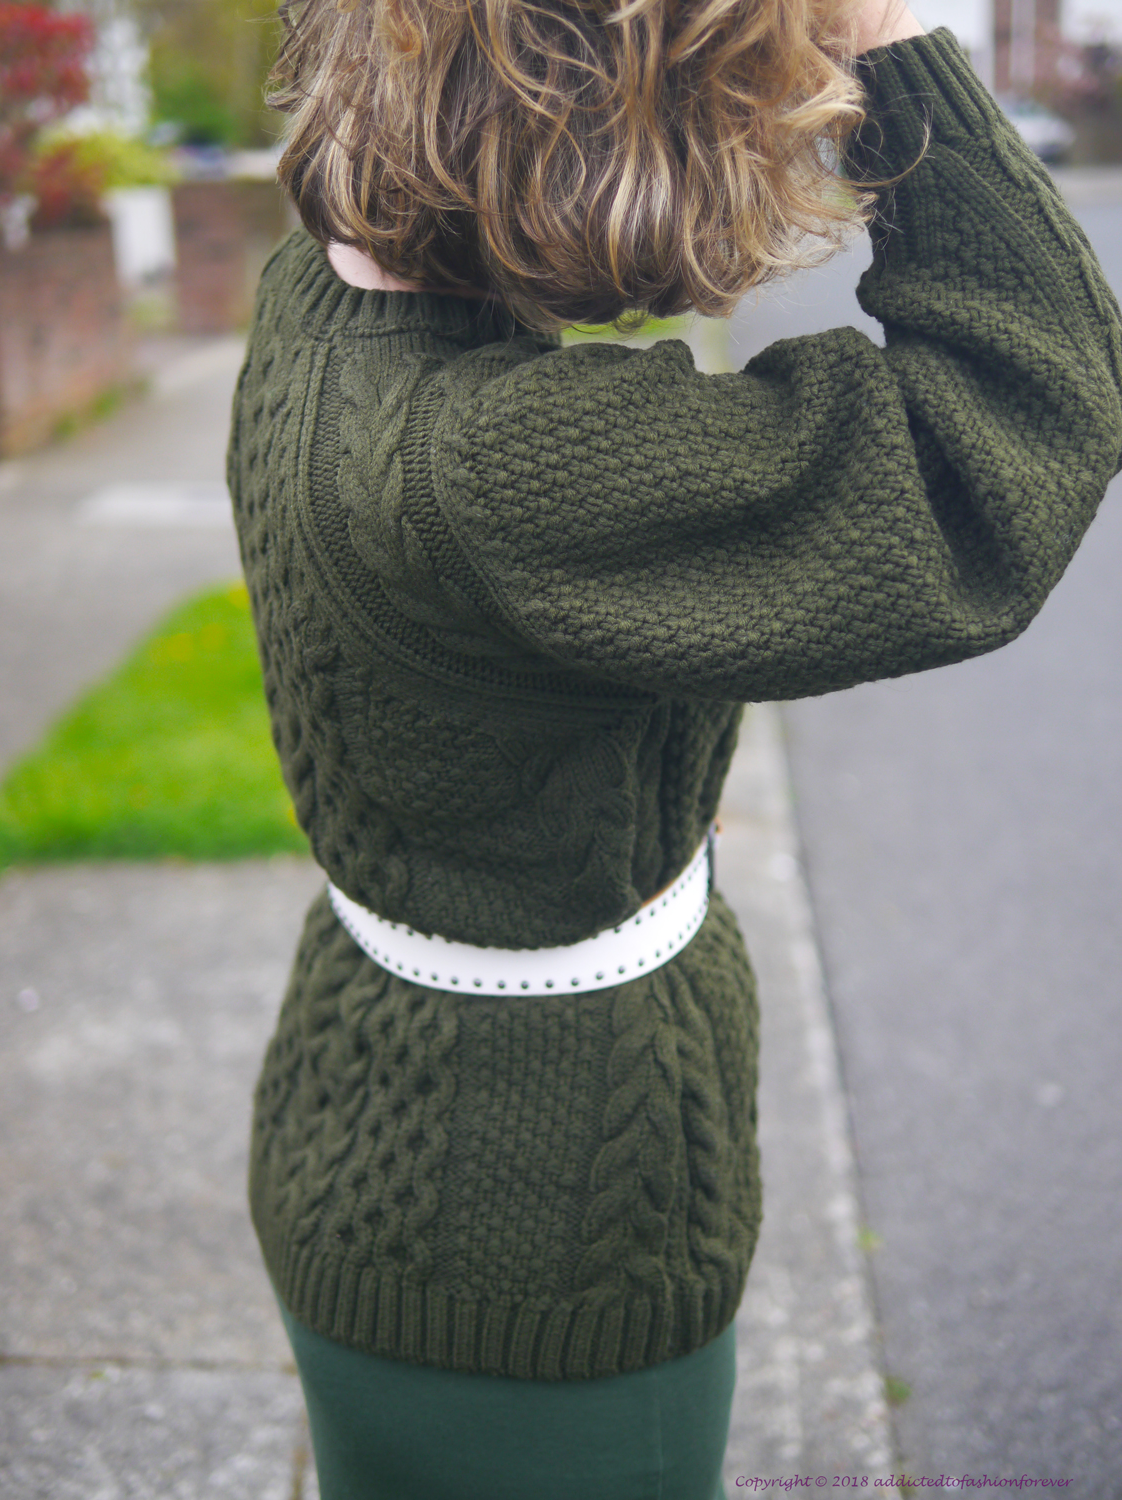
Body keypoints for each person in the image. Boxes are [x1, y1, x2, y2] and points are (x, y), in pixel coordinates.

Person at [226, 0, 1122, 1490]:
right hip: (534, 1242)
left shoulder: (322, 316)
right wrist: (887, 39)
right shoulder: (505, 473)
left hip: (373, 1132)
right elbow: (1018, 417)